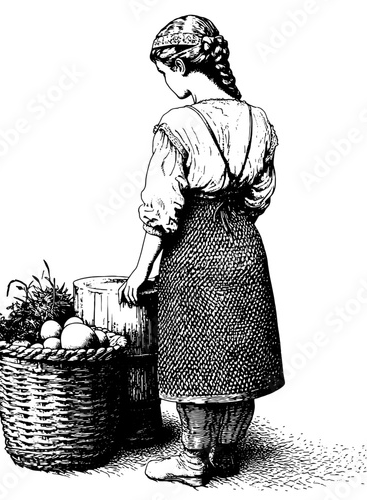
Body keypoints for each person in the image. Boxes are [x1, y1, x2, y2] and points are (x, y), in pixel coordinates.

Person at [119, 14, 285, 487]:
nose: (167, 83)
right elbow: (259, 194)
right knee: (238, 358)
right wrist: (233, 220)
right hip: (244, 246)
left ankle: (192, 464)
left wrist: (141, 268)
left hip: (192, 250)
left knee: (195, 359)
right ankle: (227, 452)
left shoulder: (177, 124)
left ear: (182, 65)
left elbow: (161, 206)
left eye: (165, 72)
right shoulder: (259, 121)